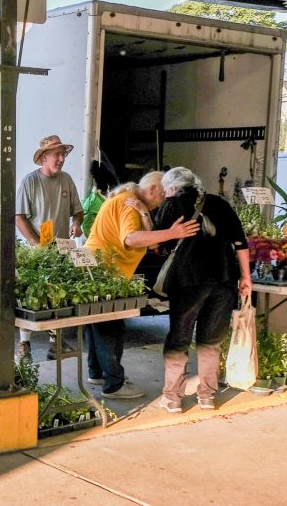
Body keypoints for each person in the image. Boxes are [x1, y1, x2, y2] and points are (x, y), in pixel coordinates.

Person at [84, 171, 200, 399]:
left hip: (98, 268)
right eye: (164, 193)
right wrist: (172, 233)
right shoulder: (128, 204)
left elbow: (146, 238)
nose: (165, 199)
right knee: (111, 327)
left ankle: (98, 373)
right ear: (153, 190)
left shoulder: (130, 200)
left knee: (96, 324)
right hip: (107, 270)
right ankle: (114, 385)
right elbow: (131, 238)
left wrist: (148, 216)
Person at [152, 167, 252, 413]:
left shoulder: (172, 205)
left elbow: (156, 242)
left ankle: (173, 397)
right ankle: (207, 396)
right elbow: (241, 243)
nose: (166, 194)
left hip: (188, 282)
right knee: (211, 340)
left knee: (179, 337)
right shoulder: (219, 204)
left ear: (173, 188)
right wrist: (246, 278)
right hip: (224, 280)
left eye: (166, 190)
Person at [15, 135, 84, 360]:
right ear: (45, 157)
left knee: (58, 295)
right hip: (37, 250)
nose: (62, 158)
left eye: (63, 154)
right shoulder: (30, 181)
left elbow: (78, 210)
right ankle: (24, 345)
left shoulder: (66, 180)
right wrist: (37, 244)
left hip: (61, 249)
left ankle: (56, 342)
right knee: (31, 296)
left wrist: (76, 224)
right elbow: (19, 218)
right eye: (57, 154)